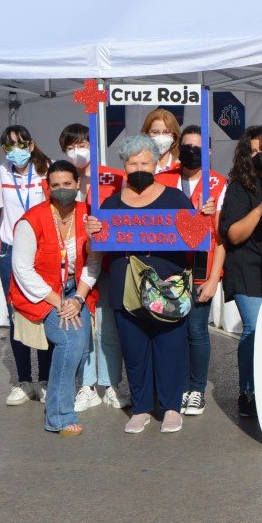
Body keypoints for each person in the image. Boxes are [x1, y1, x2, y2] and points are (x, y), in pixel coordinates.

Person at [100, 135, 194, 433]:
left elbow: (194, 238)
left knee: (170, 347)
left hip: (166, 283)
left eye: (145, 162)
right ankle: (141, 407)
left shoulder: (176, 198)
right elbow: (99, 246)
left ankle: (170, 408)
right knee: (135, 349)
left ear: (156, 164)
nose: (138, 167)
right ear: (124, 166)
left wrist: (201, 219)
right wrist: (95, 229)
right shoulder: (110, 203)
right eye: (132, 162)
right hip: (125, 285)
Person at [9, 160, 100, 437]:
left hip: (78, 290)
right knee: (70, 337)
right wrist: (58, 301)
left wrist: (78, 299)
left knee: (78, 337)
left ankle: (65, 400)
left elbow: (94, 261)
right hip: (42, 293)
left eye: (68, 184)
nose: (63, 189)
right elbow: (22, 269)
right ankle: (59, 414)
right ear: (47, 187)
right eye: (56, 185)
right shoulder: (31, 219)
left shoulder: (89, 216)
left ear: (78, 185)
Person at [58, 122, 127, 411]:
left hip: (109, 263)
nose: (78, 151)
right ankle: (85, 384)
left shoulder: (114, 177)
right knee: (82, 328)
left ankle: (111, 383)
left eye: (83, 144)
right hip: (75, 266)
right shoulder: (62, 179)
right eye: (71, 146)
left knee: (108, 330)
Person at [220, 125, 262, 420]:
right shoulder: (238, 187)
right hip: (245, 267)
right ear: (245, 155)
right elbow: (233, 235)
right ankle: (248, 391)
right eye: (254, 150)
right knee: (255, 329)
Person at [0, 124, 52, 405]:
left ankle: (46, 379)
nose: (15, 151)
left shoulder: (46, 168)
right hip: (11, 250)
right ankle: (24, 380)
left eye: (20, 144)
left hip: (42, 252)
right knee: (15, 314)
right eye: (9, 146)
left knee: (43, 311)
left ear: (31, 144)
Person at [174, 124, 227, 416]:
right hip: (168, 269)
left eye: (197, 148)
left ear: (208, 151)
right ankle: (177, 386)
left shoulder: (219, 183)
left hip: (200, 270)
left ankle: (196, 389)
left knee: (196, 331)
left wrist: (214, 280)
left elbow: (222, 238)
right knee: (172, 331)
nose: (191, 152)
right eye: (186, 147)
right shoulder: (165, 180)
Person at [143, 109, 183, 176]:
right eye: (155, 132)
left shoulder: (181, 167)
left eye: (166, 132)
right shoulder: (138, 167)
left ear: (174, 135)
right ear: (147, 134)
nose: (161, 137)